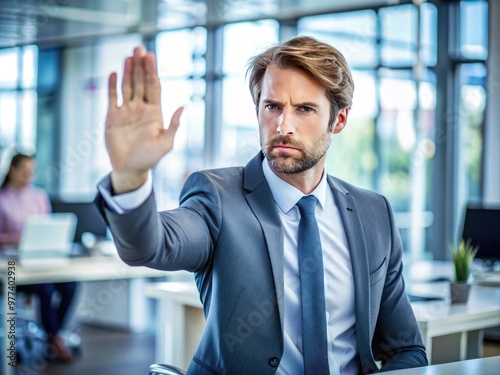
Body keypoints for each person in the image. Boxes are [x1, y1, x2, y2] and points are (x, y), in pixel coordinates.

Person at [95, 36, 428, 374]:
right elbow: (149, 246)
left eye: (304, 109)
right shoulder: (218, 198)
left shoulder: (375, 214)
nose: (284, 126)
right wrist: (131, 178)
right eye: (272, 106)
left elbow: (407, 349)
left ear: (338, 120)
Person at [0, 153, 77, 363]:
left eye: (31, 172)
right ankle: (55, 340)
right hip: (13, 267)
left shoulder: (39, 196)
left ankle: (53, 335)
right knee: (46, 289)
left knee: (71, 284)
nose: (28, 176)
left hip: (42, 261)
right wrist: (18, 240)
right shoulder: (2, 198)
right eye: (24, 171)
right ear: (12, 170)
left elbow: (47, 228)